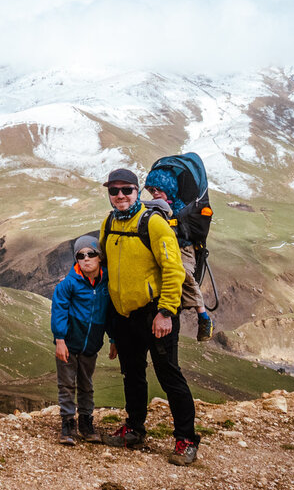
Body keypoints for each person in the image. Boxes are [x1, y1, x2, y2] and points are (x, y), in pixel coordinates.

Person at [98, 167, 201, 466]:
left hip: (155, 314)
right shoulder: (108, 223)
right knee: (132, 374)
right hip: (124, 315)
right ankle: (134, 428)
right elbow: (105, 268)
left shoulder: (154, 224)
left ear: (137, 191)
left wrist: (166, 312)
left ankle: (186, 439)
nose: (119, 196)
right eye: (113, 190)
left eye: (126, 190)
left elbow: (174, 271)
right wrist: (112, 327)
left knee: (170, 377)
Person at [50, 233, 109, 444]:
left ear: (99, 257)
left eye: (91, 254)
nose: (86, 258)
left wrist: (113, 340)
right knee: (66, 384)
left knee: (87, 384)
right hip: (68, 343)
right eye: (80, 255)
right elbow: (59, 309)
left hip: (91, 344)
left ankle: (86, 422)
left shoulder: (106, 283)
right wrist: (60, 340)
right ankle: (67, 424)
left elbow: (110, 313)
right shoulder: (69, 284)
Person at [143, 168, 214, 341]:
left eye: (159, 189)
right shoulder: (153, 207)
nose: (155, 193)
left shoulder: (183, 210)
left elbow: (187, 233)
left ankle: (203, 317)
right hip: (164, 248)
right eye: (152, 190)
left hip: (183, 249)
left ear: (169, 188)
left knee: (183, 274)